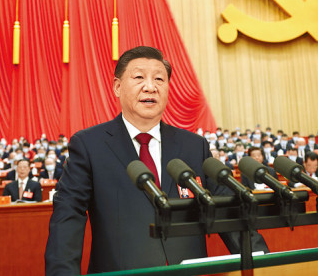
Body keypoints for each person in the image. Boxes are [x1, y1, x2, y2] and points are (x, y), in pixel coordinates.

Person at [45, 46, 268, 275]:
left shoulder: (194, 146)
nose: (150, 87)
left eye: (159, 79)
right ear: (117, 87)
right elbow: (68, 218)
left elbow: (229, 213)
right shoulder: (89, 145)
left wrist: (265, 265)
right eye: (139, 77)